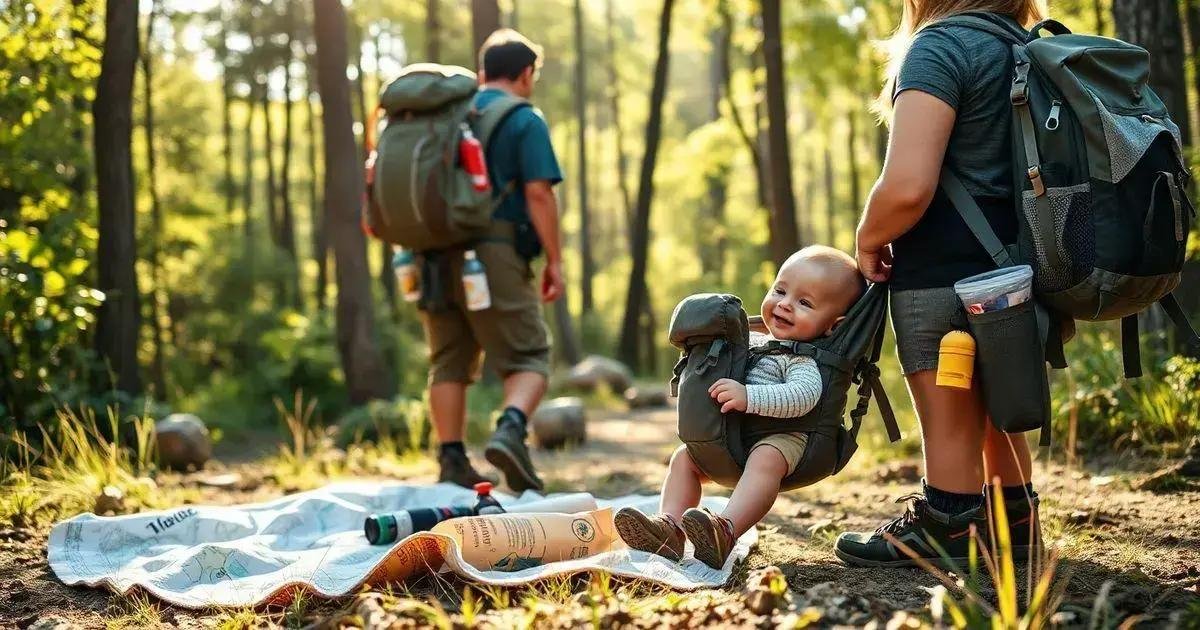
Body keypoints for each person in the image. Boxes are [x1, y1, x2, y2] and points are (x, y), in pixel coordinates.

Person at [835, 1, 1044, 567]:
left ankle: (948, 523)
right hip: (1018, 268)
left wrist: (868, 237)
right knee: (997, 395)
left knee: (951, 412)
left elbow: (906, 185)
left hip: (942, 274)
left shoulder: (940, 46)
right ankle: (1015, 523)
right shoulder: (1025, 44)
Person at [613, 247, 865, 569]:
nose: (786, 304)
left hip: (784, 436)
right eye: (780, 290)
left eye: (805, 303)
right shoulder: (751, 342)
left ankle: (725, 531)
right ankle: (669, 528)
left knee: (766, 458)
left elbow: (805, 395)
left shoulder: (803, 359)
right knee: (684, 459)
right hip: (733, 437)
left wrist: (749, 397)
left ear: (832, 326)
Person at [425, 29, 565, 493]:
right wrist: (554, 261)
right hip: (493, 252)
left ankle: (451, 459)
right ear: (526, 74)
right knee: (529, 354)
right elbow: (539, 194)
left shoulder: (447, 117)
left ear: (483, 72)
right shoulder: (524, 119)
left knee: (449, 358)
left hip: (431, 255)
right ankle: (510, 430)